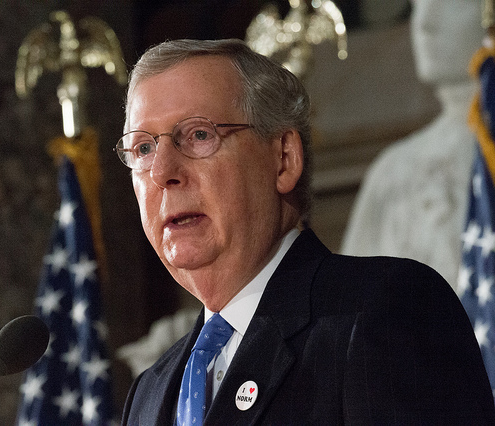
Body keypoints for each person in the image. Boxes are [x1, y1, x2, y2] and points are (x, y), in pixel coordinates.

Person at [115, 38, 494, 424]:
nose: (162, 172)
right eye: (143, 149)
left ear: (283, 159)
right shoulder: (150, 391)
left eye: (198, 135)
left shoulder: (386, 310)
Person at [341, 0, 483, 291]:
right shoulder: (393, 171)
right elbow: (353, 316)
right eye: (417, 4)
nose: (425, 23)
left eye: (449, 5)